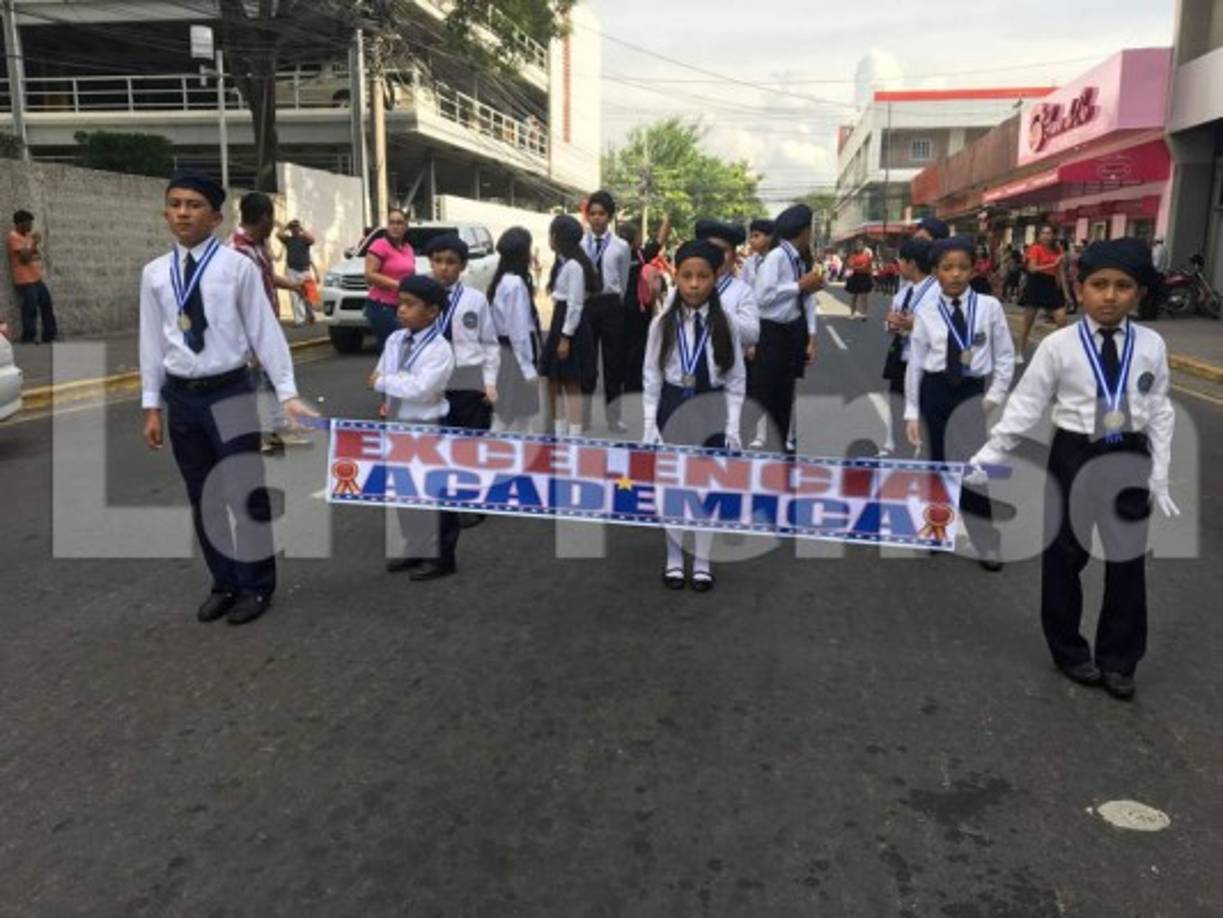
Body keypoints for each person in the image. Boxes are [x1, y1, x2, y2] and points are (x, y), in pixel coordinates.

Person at [969, 238, 1178, 699]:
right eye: (1098, 285)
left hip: (1129, 456)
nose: (1109, 295)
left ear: (1139, 292)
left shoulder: (1152, 345)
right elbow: (1026, 406)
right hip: (1074, 454)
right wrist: (991, 456)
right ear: (1078, 289)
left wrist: (1159, 471)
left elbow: (1159, 409)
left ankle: (1120, 659)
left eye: (1123, 286)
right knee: (1064, 556)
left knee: (1127, 561)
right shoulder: (1059, 346)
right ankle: (1068, 650)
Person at [139, 170, 316, 626]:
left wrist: (289, 393)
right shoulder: (155, 274)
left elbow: (265, 331)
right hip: (183, 398)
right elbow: (151, 343)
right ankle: (225, 581)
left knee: (243, 492)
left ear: (216, 217)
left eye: (194, 205)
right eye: (175, 203)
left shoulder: (236, 268)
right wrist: (151, 404)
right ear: (165, 212)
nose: (183, 212)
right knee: (204, 497)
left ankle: (257, 586)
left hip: (230, 390)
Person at [904, 236, 1014, 572]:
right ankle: (936, 532)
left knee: (974, 471)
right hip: (934, 392)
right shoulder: (924, 311)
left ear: (974, 269)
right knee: (935, 465)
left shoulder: (989, 307)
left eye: (963, 267)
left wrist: (994, 396)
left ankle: (987, 543)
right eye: (947, 268)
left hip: (970, 393)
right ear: (935, 271)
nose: (956, 275)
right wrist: (911, 411)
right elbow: (916, 363)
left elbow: (1005, 356)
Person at [642, 240, 745, 592]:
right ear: (677, 277)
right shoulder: (661, 324)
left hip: (711, 408)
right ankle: (674, 558)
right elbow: (651, 377)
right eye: (687, 276)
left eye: (703, 276)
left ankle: (701, 560)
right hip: (673, 407)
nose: (694, 284)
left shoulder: (726, 323)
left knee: (706, 487)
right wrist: (649, 425)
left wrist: (732, 425)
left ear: (715, 278)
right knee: (673, 487)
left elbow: (735, 379)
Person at [372, 275, 460, 581]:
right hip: (399, 424)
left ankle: (442, 557)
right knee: (405, 492)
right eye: (400, 303)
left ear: (432, 311)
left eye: (410, 304)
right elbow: (381, 372)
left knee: (434, 494)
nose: (401, 310)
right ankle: (416, 547)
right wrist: (390, 388)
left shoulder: (440, 349)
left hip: (428, 426)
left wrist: (387, 383)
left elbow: (422, 389)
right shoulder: (395, 340)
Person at [229, 192, 309, 454]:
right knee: (251, 382)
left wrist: (294, 287)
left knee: (274, 376)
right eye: (272, 219)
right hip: (248, 328)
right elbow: (234, 296)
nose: (273, 226)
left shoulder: (257, 246)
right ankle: (255, 434)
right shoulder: (236, 250)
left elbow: (268, 277)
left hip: (267, 325)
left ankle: (278, 430)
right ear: (264, 217)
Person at [748, 203, 821, 452]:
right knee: (763, 394)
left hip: (792, 331)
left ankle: (781, 445)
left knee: (784, 393)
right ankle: (740, 443)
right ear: (803, 231)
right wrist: (798, 285)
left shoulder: (798, 259)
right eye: (810, 229)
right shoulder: (778, 257)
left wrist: (811, 337)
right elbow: (762, 297)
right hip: (771, 332)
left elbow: (808, 299)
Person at [539, 214, 599, 437]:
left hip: (569, 325)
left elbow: (575, 304)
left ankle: (574, 436)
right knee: (554, 380)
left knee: (571, 382)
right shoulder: (563, 262)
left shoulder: (574, 266)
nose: (549, 239)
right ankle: (559, 432)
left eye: (551, 234)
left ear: (557, 236)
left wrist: (565, 337)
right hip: (559, 321)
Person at [880, 237, 936, 457]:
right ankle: (896, 449)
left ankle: (921, 453)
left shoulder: (936, 292)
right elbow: (890, 322)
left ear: (912, 263)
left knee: (922, 410)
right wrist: (891, 324)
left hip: (925, 361)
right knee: (898, 405)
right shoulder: (904, 293)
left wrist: (915, 326)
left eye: (900, 261)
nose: (898, 266)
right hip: (901, 358)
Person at [582, 191, 632, 433]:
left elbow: (623, 280)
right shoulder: (580, 245)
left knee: (613, 365)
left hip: (612, 305)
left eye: (601, 213)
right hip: (587, 305)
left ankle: (614, 418)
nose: (597, 218)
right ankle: (584, 417)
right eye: (592, 213)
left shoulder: (622, 246)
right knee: (587, 363)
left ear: (610, 217)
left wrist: (615, 300)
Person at [488, 227, 542, 432]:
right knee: (506, 415)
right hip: (515, 357)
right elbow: (518, 330)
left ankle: (524, 455)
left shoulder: (504, 279)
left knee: (522, 413)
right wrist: (528, 368)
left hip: (508, 353)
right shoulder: (515, 284)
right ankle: (489, 454)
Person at [690, 219, 760, 349]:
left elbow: (752, 334)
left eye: (722, 251)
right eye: (709, 249)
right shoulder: (684, 287)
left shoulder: (743, 291)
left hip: (728, 365)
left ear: (734, 257)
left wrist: (713, 310)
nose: (715, 256)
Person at [621, 215, 671, 394]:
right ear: (636, 239)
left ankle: (623, 381)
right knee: (639, 349)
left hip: (619, 310)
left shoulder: (614, 254)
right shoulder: (640, 255)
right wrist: (667, 219)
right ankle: (634, 385)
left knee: (622, 349)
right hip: (640, 310)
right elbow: (660, 241)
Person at [364, 208, 416, 351]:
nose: (395, 226)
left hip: (403, 305)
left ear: (406, 226)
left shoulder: (408, 248)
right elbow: (370, 274)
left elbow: (411, 273)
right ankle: (385, 374)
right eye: (391, 222)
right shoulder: (379, 245)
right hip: (382, 306)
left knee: (405, 348)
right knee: (393, 349)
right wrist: (398, 285)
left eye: (399, 223)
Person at [1016, 225, 1068, 365]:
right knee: (1028, 322)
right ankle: (1019, 352)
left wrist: (1066, 293)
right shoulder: (1035, 249)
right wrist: (1052, 264)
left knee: (1062, 321)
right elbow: (1032, 269)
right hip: (1036, 284)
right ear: (1039, 235)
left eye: (1049, 233)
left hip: (1051, 285)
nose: (1046, 235)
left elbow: (1061, 273)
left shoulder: (1058, 250)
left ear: (1053, 235)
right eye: (1043, 233)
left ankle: (1055, 352)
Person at [8, 209, 58, 343]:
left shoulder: (27, 236)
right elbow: (24, 259)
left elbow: (36, 255)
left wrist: (31, 251)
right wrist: (34, 244)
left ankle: (49, 336)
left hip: (36, 278)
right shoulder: (13, 237)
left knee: (47, 305)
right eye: (28, 223)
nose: (30, 226)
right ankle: (28, 337)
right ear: (20, 224)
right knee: (30, 308)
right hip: (24, 280)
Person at [277, 219, 318, 326]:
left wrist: (302, 229)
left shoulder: (304, 239)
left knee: (309, 295)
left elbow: (312, 240)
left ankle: (311, 314)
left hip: (304, 270)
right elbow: (278, 234)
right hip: (292, 270)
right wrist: (286, 226)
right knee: (294, 295)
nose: (294, 229)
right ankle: (299, 320)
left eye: (296, 227)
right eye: (292, 227)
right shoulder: (288, 240)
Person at [741, 219, 775, 289]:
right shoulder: (749, 261)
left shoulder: (777, 259)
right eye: (750, 237)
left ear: (770, 237)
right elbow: (743, 284)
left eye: (756, 236)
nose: (751, 240)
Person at [845, 242, 873, 321]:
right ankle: (852, 314)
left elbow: (867, 265)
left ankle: (864, 314)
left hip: (864, 276)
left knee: (864, 296)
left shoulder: (867, 255)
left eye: (861, 245)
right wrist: (858, 267)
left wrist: (857, 267)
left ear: (863, 246)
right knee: (854, 296)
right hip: (855, 276)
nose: (859, 246)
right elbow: (850, 264)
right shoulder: (853, 256)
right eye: (857, 245)